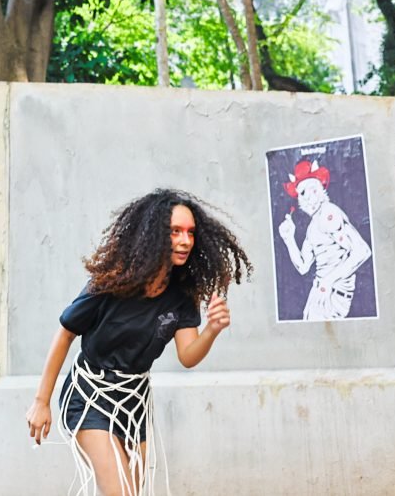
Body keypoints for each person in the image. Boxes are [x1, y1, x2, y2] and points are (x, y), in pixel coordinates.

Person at [26, 189, 253, 496]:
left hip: (134, 403)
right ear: (153, 234)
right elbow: (66, 332)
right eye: (175, 232)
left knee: (132, 491)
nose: (185, 241)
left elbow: (187, 356)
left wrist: (212, 329)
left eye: (190, 233)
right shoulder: (111, 281)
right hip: (90, 395)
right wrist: (42, 402)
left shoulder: (183, 294)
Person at [277, 159, 371, 320]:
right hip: (320, 291)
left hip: (333, 293)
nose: (308, 198)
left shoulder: (329, 214)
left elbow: (362, 251)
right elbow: (303, 267)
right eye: (303, 193)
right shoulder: (313, 226)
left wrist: (328, 282)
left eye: (313, 189)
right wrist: (289, 239)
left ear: (321, 189)